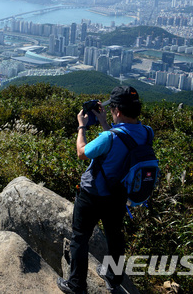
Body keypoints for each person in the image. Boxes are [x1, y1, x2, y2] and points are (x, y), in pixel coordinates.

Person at [57, 86, 153, 294]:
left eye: (111, 110)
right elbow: (123, 142)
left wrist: (81, 127)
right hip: (119, 195)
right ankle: (113, 278)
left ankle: (76, 285)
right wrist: (103, 122)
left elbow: (82, 153)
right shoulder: (147, 133)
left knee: (80, 238)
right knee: (115, 236)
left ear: (117, 111)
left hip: (92, 194)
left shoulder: (108, 138)